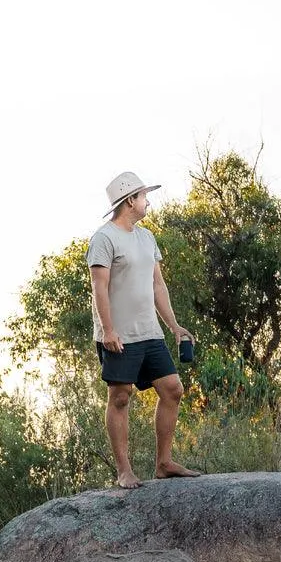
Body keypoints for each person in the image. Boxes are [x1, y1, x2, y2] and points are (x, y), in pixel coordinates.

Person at [87, 171, 203, 489]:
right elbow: (100, 288)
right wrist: (108, 330)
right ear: (130, 201)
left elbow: (157, 285)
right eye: (143, 196)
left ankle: (164, 463)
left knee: (173, 389)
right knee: (120, 397)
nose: (147, 201)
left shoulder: (147, 237)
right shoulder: (104, 238)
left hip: (150, 333)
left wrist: (174, 326)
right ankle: (124, 470)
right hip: (118, 335)